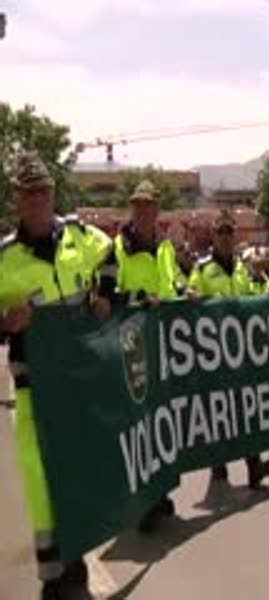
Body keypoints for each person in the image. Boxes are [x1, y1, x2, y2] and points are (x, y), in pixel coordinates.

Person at [0, 152, 117, 599]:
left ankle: (78, 559)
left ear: (53, 193)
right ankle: (52, 574)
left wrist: (105, 293)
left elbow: (110, 255)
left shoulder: (81, 237)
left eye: (44, 190)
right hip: (32, 385)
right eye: (29, 192)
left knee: (79, 469)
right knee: (40, 477)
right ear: (18, 200)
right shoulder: (6, 258)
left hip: (77, 382)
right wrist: (6, 323)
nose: (38, 198)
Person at [188, 212, 269, 487]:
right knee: (218, 411)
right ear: (213, 237)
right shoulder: (202, 269)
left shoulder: (242, 268)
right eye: (221, 233)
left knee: (245, 410)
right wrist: (193, 297)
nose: (226, 238)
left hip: (239, 352)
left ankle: (254, 465)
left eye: (229, 232)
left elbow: (252, 299)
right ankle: (218, 465)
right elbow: (190, 298)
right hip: (213, 354)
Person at [114, 179, 180, 532]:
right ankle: (142, 503)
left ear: (156, 210)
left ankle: (159, 492)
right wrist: (141, 297)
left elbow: (172, 285)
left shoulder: (165, 247)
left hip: (165, 345)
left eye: (150, 205)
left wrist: (187, 292)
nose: (144, 211)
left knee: (163, 420)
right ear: (132, 209)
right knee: (139, 424)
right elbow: (110, 296)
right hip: (133, 346)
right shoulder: (117, 249)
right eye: (138, 205)